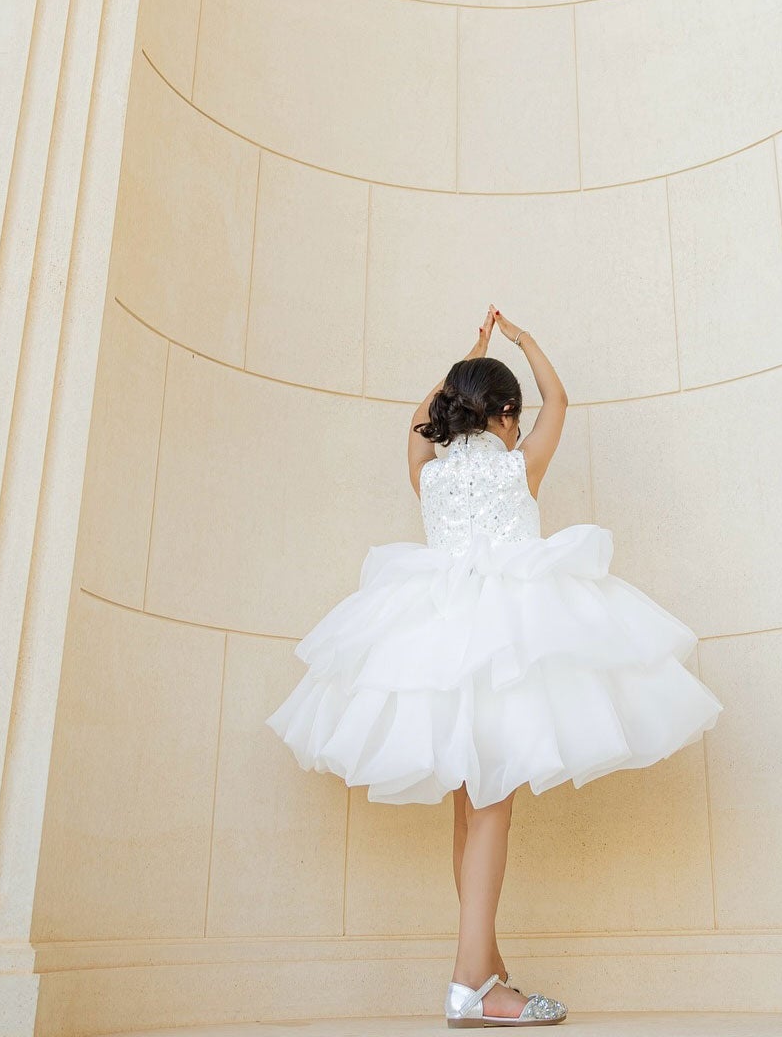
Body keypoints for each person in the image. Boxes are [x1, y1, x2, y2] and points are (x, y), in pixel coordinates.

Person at [266, 304, 724, 1028]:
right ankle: (471, 987)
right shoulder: (520, 468)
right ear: (508, 413)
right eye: (514, 411)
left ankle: (487, 964)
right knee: (492, 812)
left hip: (442, 645)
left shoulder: (432, 477)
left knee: (470, 812)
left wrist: (462, 359)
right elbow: (561, 400)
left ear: (455, 411)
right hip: (508, 646)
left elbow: (414, 425)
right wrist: (526, 342)